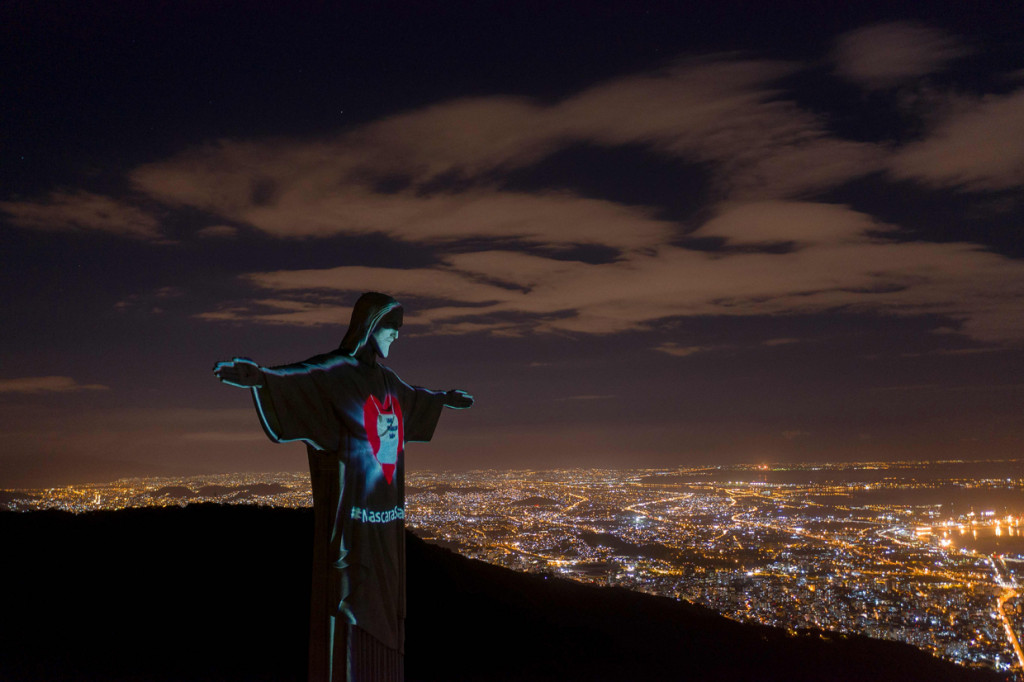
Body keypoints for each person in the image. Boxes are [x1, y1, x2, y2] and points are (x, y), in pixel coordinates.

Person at [213, 292, 473, 682]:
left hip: (386, 524)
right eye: (391, 328)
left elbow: (414, 398)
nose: (396, 337)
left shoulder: (387, 380)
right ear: (370, 327)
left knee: (387, 608)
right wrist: (263, 379)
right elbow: (303, 378)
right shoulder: (337, 372)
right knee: (352, 607)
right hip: (353, 526)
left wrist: (442, 400)